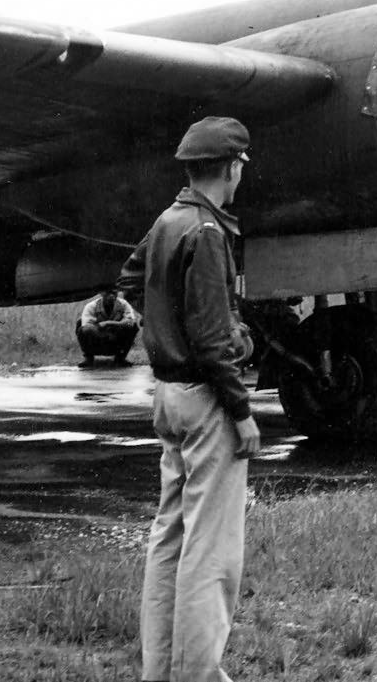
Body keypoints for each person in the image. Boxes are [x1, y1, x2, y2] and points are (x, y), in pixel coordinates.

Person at [118, 116, 259, 682]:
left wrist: (164, 323)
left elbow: (130, 278)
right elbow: (211, 339)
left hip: (168, 396)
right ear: (231, 167)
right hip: (206, 402)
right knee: (212, 553)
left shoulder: (168, 221)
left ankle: (162, 673)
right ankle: (199, 676)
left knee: (169, 539)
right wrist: (242, 411)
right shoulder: (207, 231)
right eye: (241, 167)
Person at [75, 289, 140, 366]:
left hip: (116, 340)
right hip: (98, 341)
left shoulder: (124, 304)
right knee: (81, 325)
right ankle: (88, 358)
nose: (111, 295)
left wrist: (108, 323)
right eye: (108, 293)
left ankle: (120, 358)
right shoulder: (91, 306)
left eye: (114, 293)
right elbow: (87, 326)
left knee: (133, 327)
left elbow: (130, 322)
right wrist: (105, 333)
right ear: (101, 293)